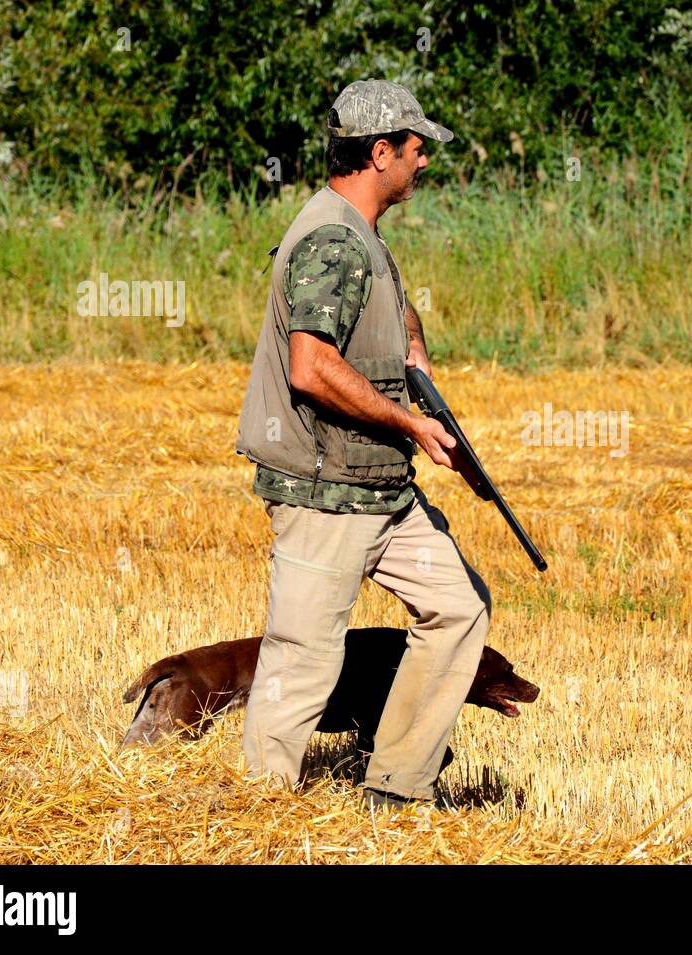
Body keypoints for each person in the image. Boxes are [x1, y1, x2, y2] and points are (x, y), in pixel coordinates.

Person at [235, 79, 489, 809]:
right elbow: (310, 366)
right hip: (324, 490)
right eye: (416, 149)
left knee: (459, 606)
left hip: (380, 488)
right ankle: (257, 814)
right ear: (380, 153)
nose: (424, 162)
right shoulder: (332, 239)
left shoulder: (362, 236)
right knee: (303, 658)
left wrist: (415, 350)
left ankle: (397, 785)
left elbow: (387, 311)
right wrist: (413, 423)